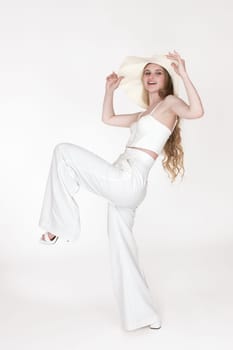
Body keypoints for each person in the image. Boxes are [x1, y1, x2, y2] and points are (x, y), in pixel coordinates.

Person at [38, 50, 204, 331]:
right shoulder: (144, 114)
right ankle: (145, 315)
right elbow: (109, 118)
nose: (151, 77)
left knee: (63, 152)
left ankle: (58, 228)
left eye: (158, 72)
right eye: (148, 73)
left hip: (129, 178)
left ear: (167, 80)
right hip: (125, 181)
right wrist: (109, 91)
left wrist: (185, 74)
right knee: (122, 251)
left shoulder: (170, 104)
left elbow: (197, 112)